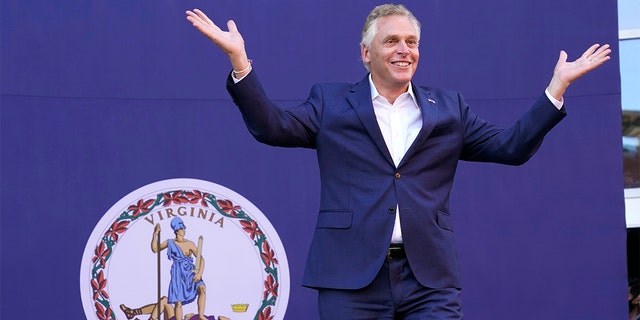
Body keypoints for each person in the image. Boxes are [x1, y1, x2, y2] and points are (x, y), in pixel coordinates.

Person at [185, 3, 611, 319]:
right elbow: (272, 127)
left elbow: (511, 147)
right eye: (392, 41)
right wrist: (239, 61)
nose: (404, 49)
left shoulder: (448, 107)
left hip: (430, 280)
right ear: (366, 53)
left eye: (412, 42)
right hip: (350, 281)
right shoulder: (331, 103)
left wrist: (556, 88)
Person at [152, 217, 208, 320]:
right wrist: (155, 235)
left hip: (191, 272)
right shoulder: (170, 242)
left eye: (184, 228)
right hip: (178, 274)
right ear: (177, 230)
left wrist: (199, 273)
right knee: (178, 303)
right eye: (182, 228)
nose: (184, 230)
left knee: (202, 288)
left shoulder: (190, 243)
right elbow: (155, 249)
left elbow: (201, 259)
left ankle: (201, 315)